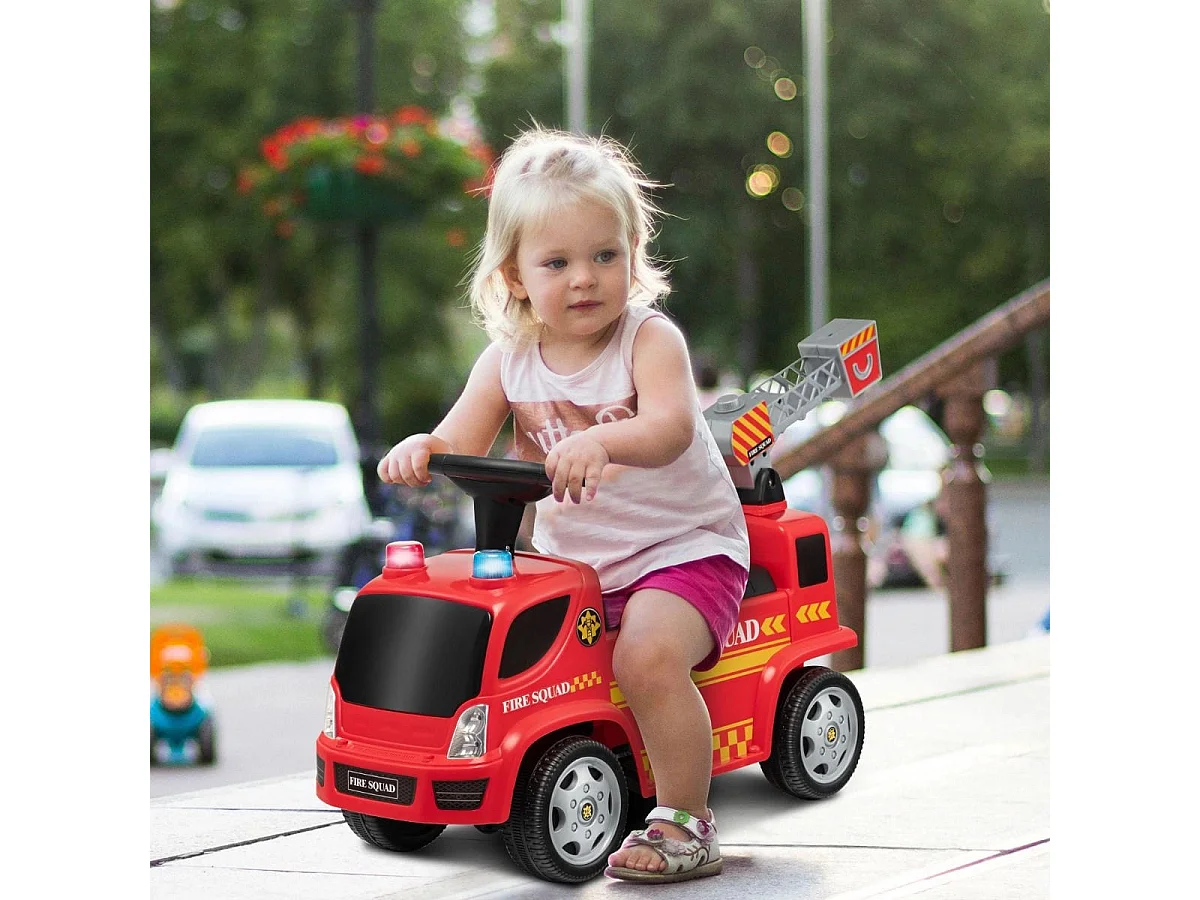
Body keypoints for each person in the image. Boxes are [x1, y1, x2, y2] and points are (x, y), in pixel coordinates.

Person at [377, 126, 749, 884]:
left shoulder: (650, 339)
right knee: (496, 645)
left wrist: (604, 444)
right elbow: (461, 437)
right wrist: (423, 448)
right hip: (581, 566)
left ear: (632, 250)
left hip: (684, 549)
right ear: (515, 275)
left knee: (643, 657)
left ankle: (685, 821)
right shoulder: (507, 360)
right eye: (558, 262)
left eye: (604, 256)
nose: (585, 278)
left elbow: (674, 426)